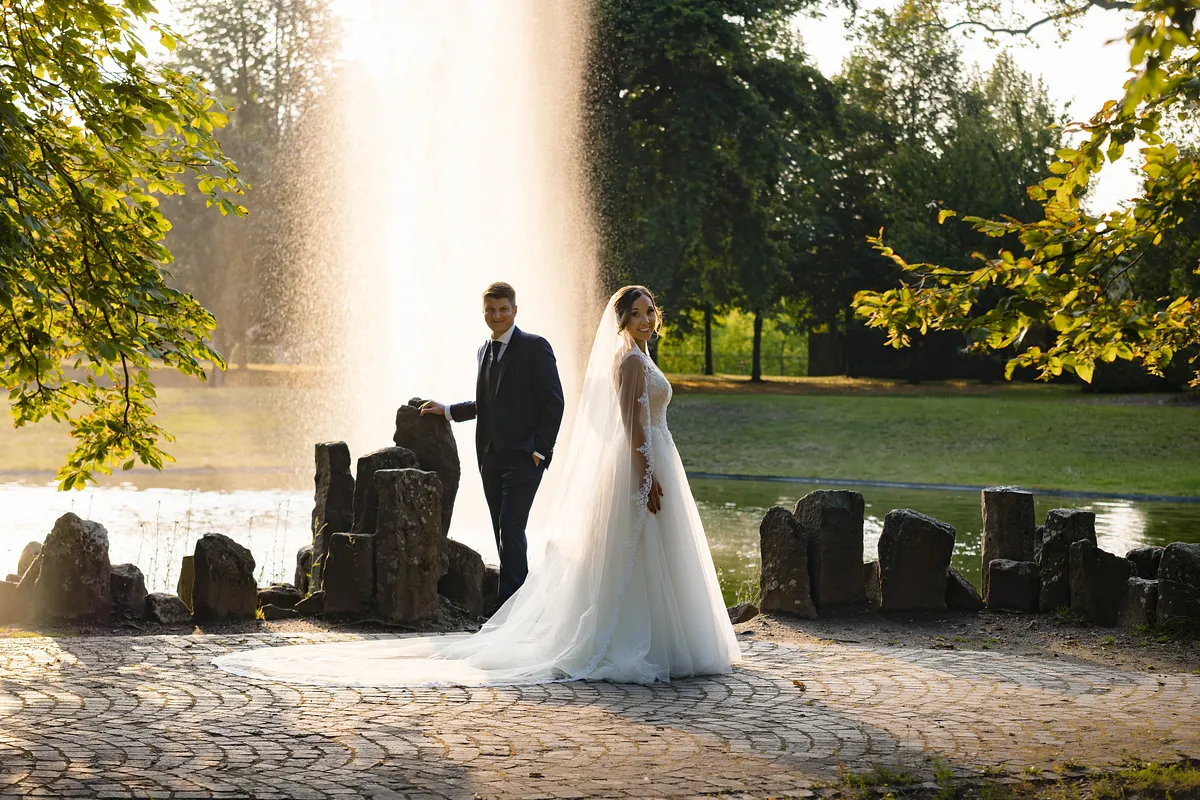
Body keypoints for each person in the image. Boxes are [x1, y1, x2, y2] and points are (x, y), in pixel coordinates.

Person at [215, 286, 740, 687]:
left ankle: (644, 635)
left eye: (650, 311)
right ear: (622, 320)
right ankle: (541, 619)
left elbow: (568, 406)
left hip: (582, 462)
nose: (647, 319)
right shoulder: (622, 361)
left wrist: (543, 451)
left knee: (530, 533)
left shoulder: (609, 355)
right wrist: (645, 475)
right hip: (608, 464)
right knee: (521, 533)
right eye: (637, 312)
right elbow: (629, 426)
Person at [419, 282, 564, 605]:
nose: (497, 315)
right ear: (483, 312)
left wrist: (540, 450)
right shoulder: (484, 351)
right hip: (490, 457)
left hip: (526, 457)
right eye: (491, 310)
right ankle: (515, 606)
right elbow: (486, 403)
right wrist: (447, 411)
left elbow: (554, 402)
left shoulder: (534, 347)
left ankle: (511, 611)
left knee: (511, 528)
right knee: (502, 530)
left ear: (515, 309)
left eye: (503, 309)